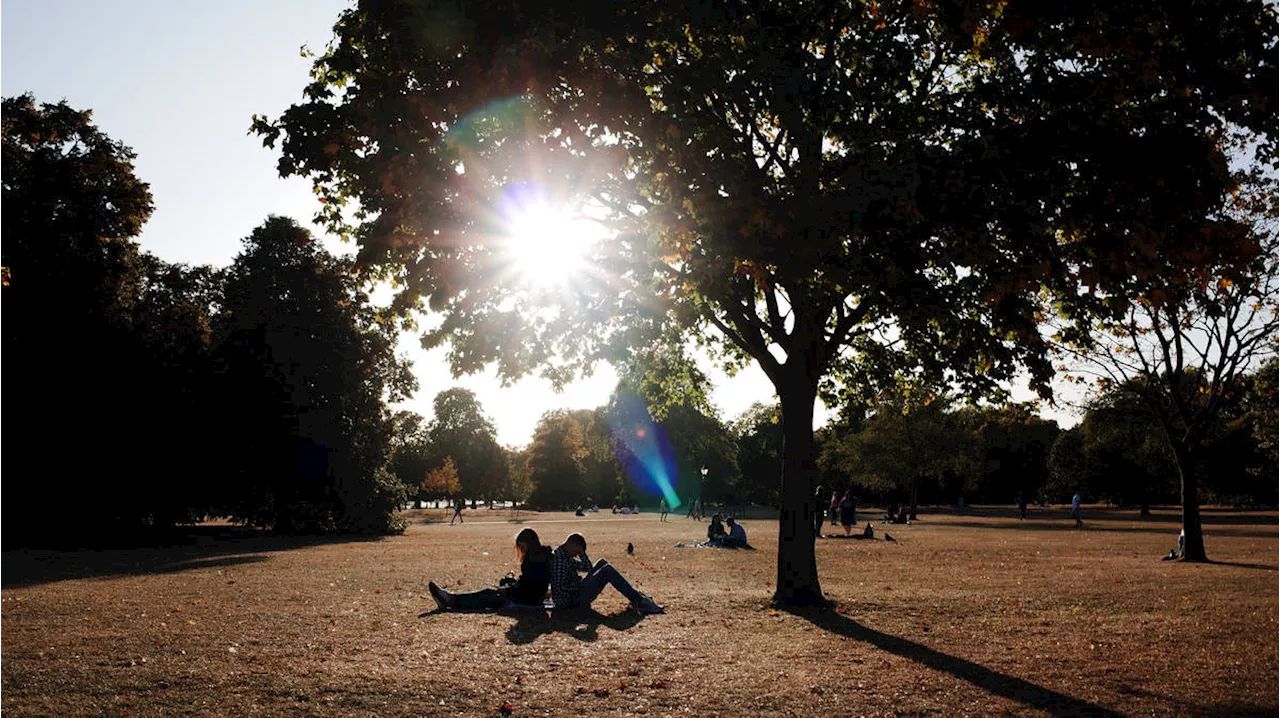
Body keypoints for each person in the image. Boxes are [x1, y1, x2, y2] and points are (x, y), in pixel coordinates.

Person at [429, 528, 551, 611]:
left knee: (487, 595)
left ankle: (450, 600)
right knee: (489, 593)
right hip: (526, 596)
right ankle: (450, 598)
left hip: (526, 599)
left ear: (527, 544)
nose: (521, 549)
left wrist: (509, 590)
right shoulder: (539, 556)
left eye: (521, 546)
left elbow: (530, 587)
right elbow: (530, 583)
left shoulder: (535, 560)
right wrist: (511, 586)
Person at [549, 533, 663, 614]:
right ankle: (638, 600)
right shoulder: (559, 558)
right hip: (570, 600)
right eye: (577, 551)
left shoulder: (564, 555)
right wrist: (580, 585)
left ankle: (638, 597)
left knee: (602, 563)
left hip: (574, 593)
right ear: (571, 544)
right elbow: (560, 587)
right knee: (607, 570)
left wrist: (583, 555)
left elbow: (587, 568)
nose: (576, 555)